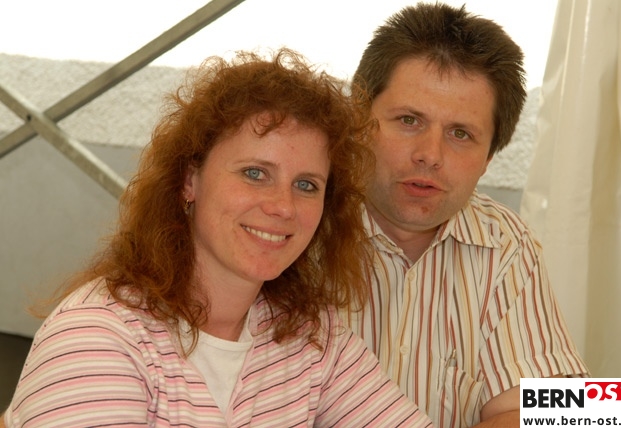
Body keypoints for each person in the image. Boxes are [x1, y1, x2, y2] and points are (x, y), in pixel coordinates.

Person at [1, 48, 432, 428]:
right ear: (190, 181)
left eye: (306, 185)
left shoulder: (312, 334)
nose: (283, 206)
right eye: (255, 173)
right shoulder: (98, 338)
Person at [343, 3, 589, 428]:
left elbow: (556, 411)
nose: (430, 155)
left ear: (489, 158)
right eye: (409, 120)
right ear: (358, 121)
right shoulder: (292, 223)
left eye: (460, 134)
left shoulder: (506, 242)